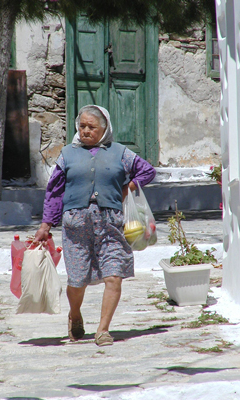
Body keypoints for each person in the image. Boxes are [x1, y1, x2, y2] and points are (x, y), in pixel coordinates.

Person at [34, 105, 156, 346]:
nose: (85, 131)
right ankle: (75, 314)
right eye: (82, 126)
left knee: (114, 276)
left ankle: (102, 330)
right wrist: (46, 224)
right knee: (77, 280)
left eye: (92, 127)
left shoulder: (120, 152)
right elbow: (55, 191)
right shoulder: (68, 153)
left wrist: (127, 188)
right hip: (76, 224)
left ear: (105, 128)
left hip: (111, 223)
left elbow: (147, 171)